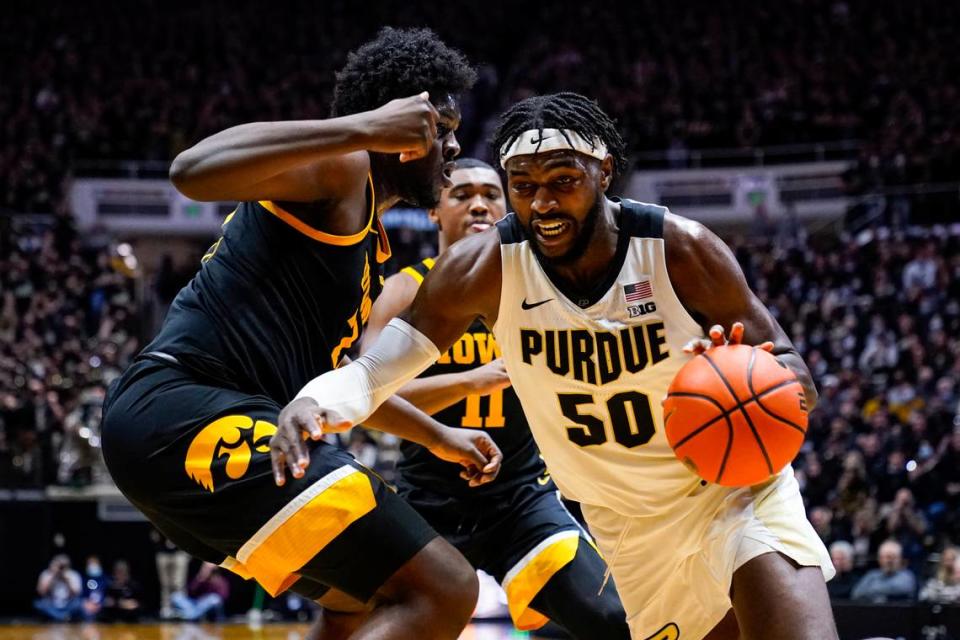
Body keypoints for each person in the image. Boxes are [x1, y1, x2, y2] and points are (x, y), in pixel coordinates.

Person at [273, 92, 838, 640]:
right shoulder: (482, 268)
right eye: (524, 187)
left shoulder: (679, 249)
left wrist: (750, 374)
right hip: (628, 527)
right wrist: (314, 401)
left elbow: (796, 375)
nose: (542, 203)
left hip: (731, 491)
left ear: (604, 171)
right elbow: (375, 373)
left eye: (563, 182)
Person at [101, 28, 504, 640]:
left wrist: (438, 434)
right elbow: (191, 170)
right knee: (447, 587)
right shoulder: (343, 171)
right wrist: (362, 128)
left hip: (199, 427)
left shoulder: (368, 241)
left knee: (358, 600)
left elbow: (347, 388)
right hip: (182, 410)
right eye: (439, 129)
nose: (451, 148)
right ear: (397, 128)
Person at [308, 158, 628, 637]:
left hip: (521, 498)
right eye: (461, 195)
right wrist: (473, 380)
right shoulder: (402, 290)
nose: (479, 204)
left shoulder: (543, 288)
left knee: (610, 618)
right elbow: (367, 399)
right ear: (434, 212)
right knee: (348, 620)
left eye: (491, 194)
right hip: (426, 500)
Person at [851, 540, 917, 602]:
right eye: (887, 557)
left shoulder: (907, 576)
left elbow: (903, 589)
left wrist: (872, 590)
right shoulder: (872, 575)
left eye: (893, 557)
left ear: (900, 559)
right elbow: (856, 593)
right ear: (880, 559)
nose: (889, 561)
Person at [34, 554, 84, 622]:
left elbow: (77, 593)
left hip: (68, 604)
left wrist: (67, 581)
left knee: (78, 603)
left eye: (62, 566)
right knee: (39, 604)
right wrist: (53, 576)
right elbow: (41, 592)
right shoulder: (46, 574)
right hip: (51, 604)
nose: (61, 568)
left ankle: (57, 617)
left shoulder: (73, 575)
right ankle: (63, 617)